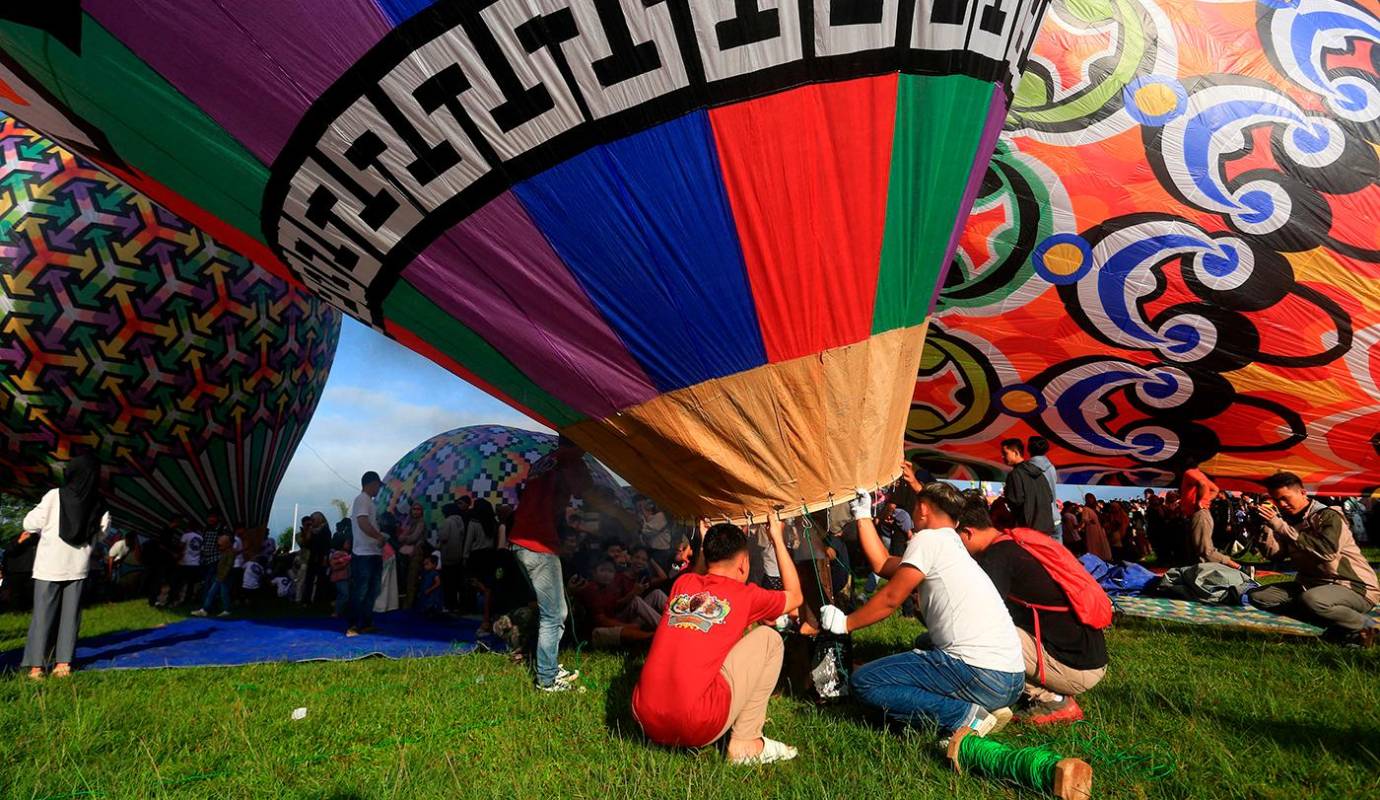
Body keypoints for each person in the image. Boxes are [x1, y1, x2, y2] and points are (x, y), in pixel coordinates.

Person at [818, 481, 1024, 739]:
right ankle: (986, 704)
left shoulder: (928, 539)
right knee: (924, 642)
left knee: (865, 682)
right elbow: (882, 563)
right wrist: (862, 516)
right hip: (1012, 680)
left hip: (983, 676)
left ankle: (966, 715)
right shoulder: (952, 545)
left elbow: (891, 598)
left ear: (923, 509)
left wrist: (845, 623)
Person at [632, 516, 803, 764]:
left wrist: (704, 544)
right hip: (696, 724)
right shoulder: (746, 595)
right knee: (769, 638)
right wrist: (777, 538)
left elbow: (701, 572)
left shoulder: (683, 584)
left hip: (645, 718)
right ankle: (746, 742)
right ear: (743, 564)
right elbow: (795, 597)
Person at [954, 495, 1108, 724]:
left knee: (974, 634)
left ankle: (1053, 699)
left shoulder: (997, 558)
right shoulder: (1014, 543)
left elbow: (973, 617)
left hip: (1077, 668)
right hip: (1090, 657)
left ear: (967, 533)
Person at [1249, 473, 1379, 646]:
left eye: (1285, 498)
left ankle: (1368, 627)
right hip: (1313, 585)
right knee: (1260, 596)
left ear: (1303, 492)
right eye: (1276, 500)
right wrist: (1263, 526)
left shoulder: (1328, 515)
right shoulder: (1286, 520)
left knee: (1312, 600)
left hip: (1353, 586)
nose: (1282, 504)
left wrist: (1281, 527)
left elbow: (1327, 552)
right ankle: (1343, 628)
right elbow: (1275, 555)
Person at [508, 436, 593, 691]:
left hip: (522, 541)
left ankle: (550, 666)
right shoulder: (570, 460)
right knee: (553, 614)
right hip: (538, 546)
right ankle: (546, 679)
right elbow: (586, 491)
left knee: (557, 611)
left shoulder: (544, 461)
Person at [21, 454, 109, 680]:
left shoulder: (54, 496)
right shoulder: (99, 503)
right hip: (77, 566)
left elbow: (30, 523)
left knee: (42, 615)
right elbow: (101, 533)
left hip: (48, 565)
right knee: (70, 617)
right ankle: (63, 665)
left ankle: (36, 668)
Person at [346, 471, 386, 637]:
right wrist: (378, 536)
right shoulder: (362, 500)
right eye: (377, 485)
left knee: (372, 591)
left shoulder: (368, 502)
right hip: (363, 554)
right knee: (361, 590)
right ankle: (353, 625)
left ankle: (367, 623)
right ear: (372, 483)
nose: (378, 489)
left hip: (373, 551)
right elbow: (362, 522)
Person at [1181, 461, 1239, 569]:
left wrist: (1202, 501)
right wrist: (1207, 499)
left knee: (1205, 551)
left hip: (1199, 513)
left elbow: (1202, 484)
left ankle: (1239, 568)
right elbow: (1215, 489)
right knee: (1198, 551)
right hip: (1200, 514)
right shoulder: (1199, 473)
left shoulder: (1189, 472)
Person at [1000, 439, 1055, 536]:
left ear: (1016, 452)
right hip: (1046, 527)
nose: (1003, 457)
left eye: (1005, 453)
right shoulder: (1039, 473)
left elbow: (1015, 501)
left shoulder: (1015, 474)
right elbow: (1050, 497)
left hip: (1027, 529)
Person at [1026, 436, 1062, 543]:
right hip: (1055, 517)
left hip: (1038, 520)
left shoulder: (1026, 469)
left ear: (1028, 449)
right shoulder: (1051, 468)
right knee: (1057, 556)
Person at [191, 534, 235, 618]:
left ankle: (226, 610)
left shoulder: (231, 552)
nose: (219, 545)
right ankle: (205, 610)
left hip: (223, 577)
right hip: (219, 577)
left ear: (227, 543)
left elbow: (228, 566)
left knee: (223, 594)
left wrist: (222, 577)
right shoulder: (226, 551)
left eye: (222, 543)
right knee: (212, 593)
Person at [437, 502, 467, 611]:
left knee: (448, 583)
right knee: (456, 582)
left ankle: (449, 605)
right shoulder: (460, 521)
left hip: (448, 554)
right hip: (458, 554)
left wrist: (439, 532)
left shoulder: (448, 521)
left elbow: (444, 537)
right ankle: (456, 606)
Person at [398, 502, 428, 608]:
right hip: (409, 553)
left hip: (416, 552)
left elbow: (414, 538)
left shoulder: (421, 523)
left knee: (412, 579)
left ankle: (409, 604)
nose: (416, 511)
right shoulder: (410, 522)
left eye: (418, 509)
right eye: (414, 509)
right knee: (407, 579)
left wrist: (404, 538)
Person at [1079, 494, 1113, 562]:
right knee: (1094, 545)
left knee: (1101, 544)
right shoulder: (1086, 508)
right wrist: (1090, 521)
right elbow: (1084, 519)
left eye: (1091, 498)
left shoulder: (1095, 508)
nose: (1090, 500)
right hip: (1092, 529)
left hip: (1099, 528)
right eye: (1089, 498)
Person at [329, 537, 352, 618]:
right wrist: (346, 560)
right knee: (345, 595)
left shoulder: (344, 554)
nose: (349, 545)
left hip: (345, 577)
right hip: (340, 578)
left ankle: (338, 611)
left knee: (341, 595)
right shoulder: (338, 554)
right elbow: (334, 565)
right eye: (347, 543)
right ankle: (337, 611)